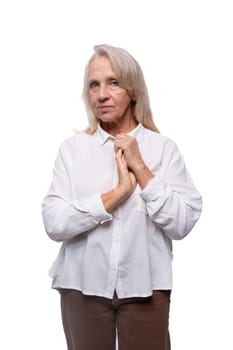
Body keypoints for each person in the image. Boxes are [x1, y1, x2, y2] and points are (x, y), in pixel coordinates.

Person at [42, 44, 202, 350]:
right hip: (81, 287)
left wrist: (140, 168)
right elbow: (54, 222)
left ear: (133, 90)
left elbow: (182, 223)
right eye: (94, 85)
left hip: (147, 288)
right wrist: (117, 194)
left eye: (113, 82)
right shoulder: (72, 151)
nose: (102, 94)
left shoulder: (163, 149)